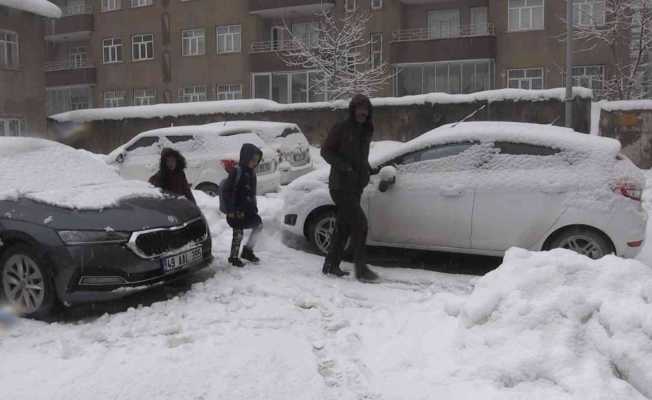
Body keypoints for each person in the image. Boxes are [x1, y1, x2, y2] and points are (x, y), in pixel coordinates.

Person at [321, 94, 380, 283]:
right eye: (359, 108)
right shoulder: (342, 128)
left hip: (356, 186)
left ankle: (330, 265)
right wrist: (344, 167)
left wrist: (368, 170)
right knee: (360, 224)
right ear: (353, 110)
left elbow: (360, 158)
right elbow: (326, 151)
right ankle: (361, 269)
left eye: (366, 109)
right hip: (340, 185)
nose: (362, 112)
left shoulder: (366, 129)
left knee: (343, 227)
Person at [220, 143, 264, 268]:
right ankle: (233, 257)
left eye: (257, 160)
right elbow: (226, 191)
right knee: (238, 233)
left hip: (249, 210)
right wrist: (231, 209)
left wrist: (253, 207)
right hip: (235, 210)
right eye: (253, 160)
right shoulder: (237, 171)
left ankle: (247, 251)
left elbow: (251, 192)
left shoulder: (252, 173)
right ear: (245, 158)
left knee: (259, 226)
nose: (255, 163)